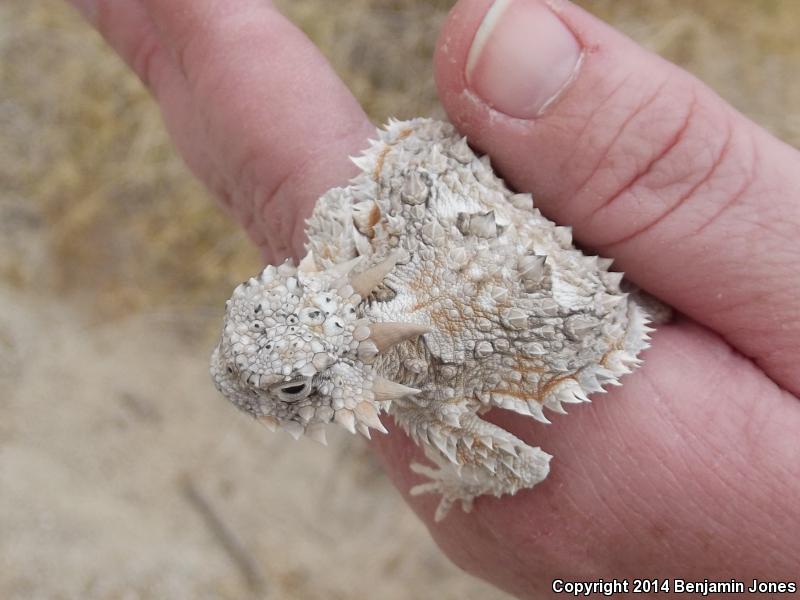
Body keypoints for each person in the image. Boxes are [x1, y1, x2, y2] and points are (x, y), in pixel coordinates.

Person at [67, 0, 800, 597]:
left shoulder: (430, 402)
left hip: (583, 299)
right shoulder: (338, 237)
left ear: (341, 378)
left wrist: (459, 482)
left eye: (292, 388)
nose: (235, 382)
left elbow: (526, 469)